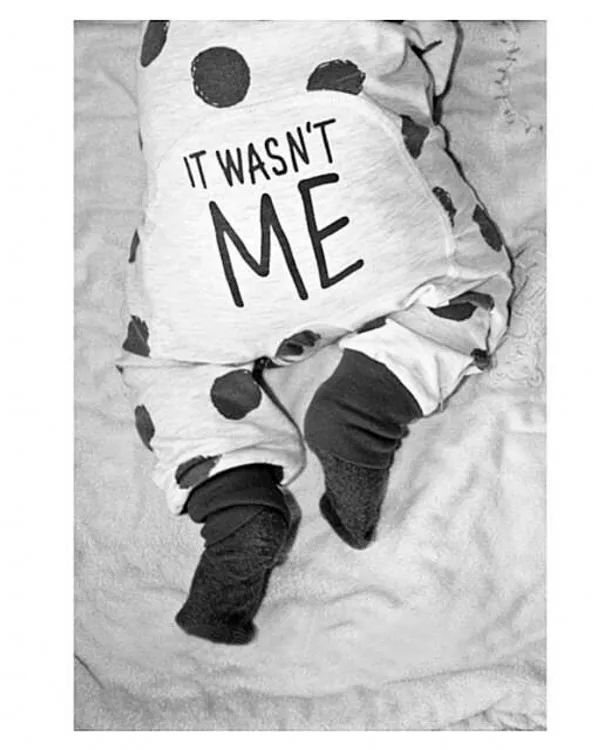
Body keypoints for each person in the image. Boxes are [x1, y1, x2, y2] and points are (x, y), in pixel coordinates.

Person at [118, 20, 512, 645]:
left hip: (213, 234)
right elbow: (432, 50)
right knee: (469, 287)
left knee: (168, 364)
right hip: (356, 199)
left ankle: (231, 495)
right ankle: (372, 397)